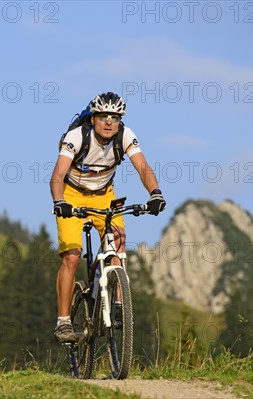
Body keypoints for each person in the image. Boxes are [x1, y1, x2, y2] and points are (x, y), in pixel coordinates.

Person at [50, 92, 166, 343]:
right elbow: (57, 176)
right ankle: (63, 321)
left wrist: (155, 193)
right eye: (103, 117)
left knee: (119, 244)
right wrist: (60, 203)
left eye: (115, 117)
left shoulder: (125, 136)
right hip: (72, 195)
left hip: (104, 195)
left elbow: (143, 168)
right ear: (93, 119)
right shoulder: (76, 137)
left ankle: (117, 303)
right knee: (71, 256)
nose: (109, 122)